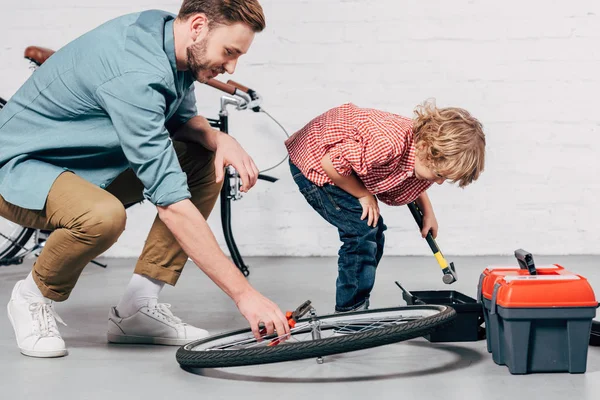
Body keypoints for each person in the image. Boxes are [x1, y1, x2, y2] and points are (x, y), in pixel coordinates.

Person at [0, 0, 290, 358]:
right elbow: (171, 203)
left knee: (204, 160)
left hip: (85, 166)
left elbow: (183, 122)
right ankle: (32, 295)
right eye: (229, 52)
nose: (230, 67)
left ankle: (137, 308)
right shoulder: (136, 72)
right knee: (102, 217)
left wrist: (220, 139)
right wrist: (245, 295)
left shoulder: (166, 35)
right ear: (198, 26)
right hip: (19, 167)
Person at [285, 100, 486, 313]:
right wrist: (364, 195)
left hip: (341, 166)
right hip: (315, 160)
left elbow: (413, 179)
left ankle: (358, 301)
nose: (439, 182)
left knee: (374, 233)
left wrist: (428, 212)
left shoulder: (420, 151)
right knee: (361, 232)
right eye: (439, 175)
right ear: (426, 148)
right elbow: (330, 163)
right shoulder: (387, 145)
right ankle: (350, 312)